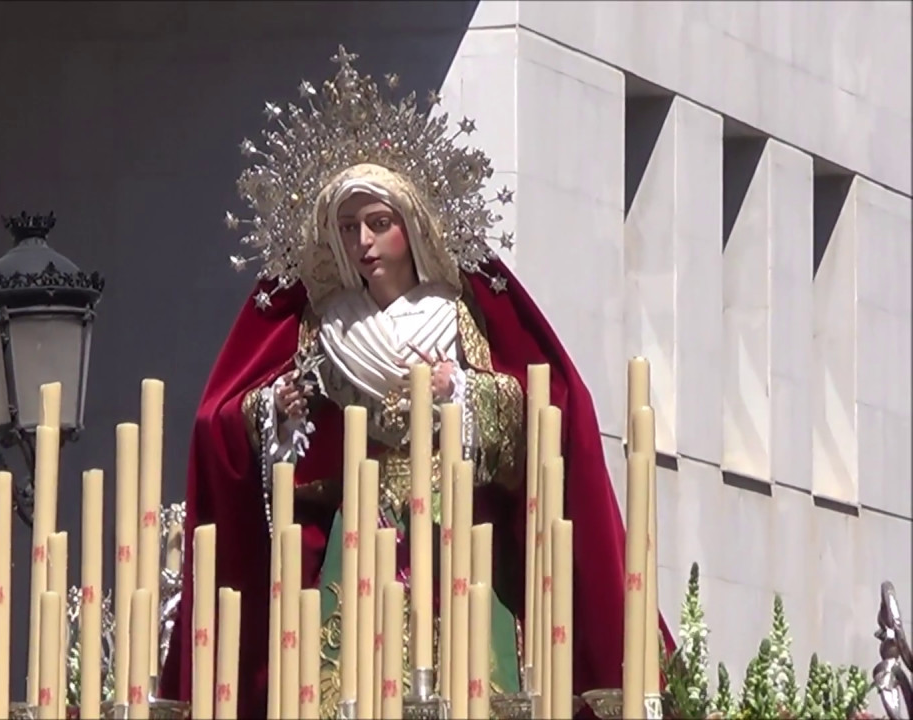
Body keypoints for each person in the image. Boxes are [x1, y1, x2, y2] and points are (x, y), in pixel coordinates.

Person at [158, 47, 671, 719]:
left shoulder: (458, 313)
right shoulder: (324, 326)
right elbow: (255, 434)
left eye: (378, 224)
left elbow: (538, 411)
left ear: (413, 226)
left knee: (468, 682)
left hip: (455, 536)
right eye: (349, 228)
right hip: (359, 538)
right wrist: (278, 412)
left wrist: (462, 392)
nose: (364, 242)